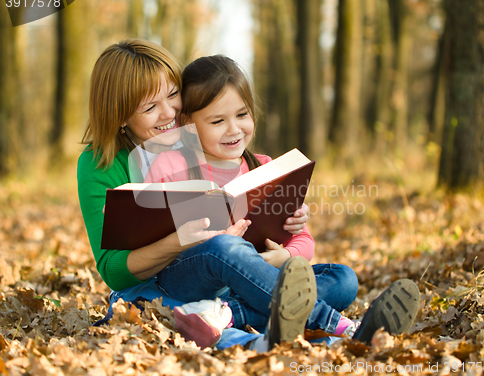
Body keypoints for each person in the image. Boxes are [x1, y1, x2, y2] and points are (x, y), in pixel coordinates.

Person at [143, 54, 420, 345]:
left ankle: (223, 314)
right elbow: (153, 243)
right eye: (217, 121)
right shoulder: (170, 166)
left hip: (253, 284)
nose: (234, 129)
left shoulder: (264, 168)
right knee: (225, 246)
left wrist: (284, 255)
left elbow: (305, 242)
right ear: (187, 122)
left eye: (242, 115)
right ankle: (341, 327)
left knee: (344, 278)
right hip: (191, 278)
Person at [77, 39, 312, 349]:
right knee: (225, 255)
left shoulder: (200, 136)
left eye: (173, 94)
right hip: (160, 286)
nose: (170, 112)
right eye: (150, 107)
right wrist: (180, 240)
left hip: (226, 281)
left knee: (340, 280)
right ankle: (327, 322)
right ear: (121, 116)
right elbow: (114, 272)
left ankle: (223, 320)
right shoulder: (100, 165)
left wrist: (288, 219)